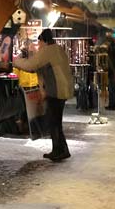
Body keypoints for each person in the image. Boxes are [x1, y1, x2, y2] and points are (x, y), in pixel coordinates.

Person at [12, 29, 74, 161]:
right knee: (56, 121)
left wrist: (16, 61)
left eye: (39, 42)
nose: (38, 45)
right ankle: (63, 149)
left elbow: (31, 65)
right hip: (61, 89)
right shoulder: (57, 49)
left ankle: (58, 151)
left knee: (54, 122)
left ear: (43, 40)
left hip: (55, 91)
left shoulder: (48, 51)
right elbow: (38, 67)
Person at [105, 36, 115, 110]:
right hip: (114, 70)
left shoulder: (111, 48)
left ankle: (112, 105)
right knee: (112, 88)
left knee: (111, 88)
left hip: (112, 71)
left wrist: (114, 71)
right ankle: (113, 104)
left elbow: (111, 61)